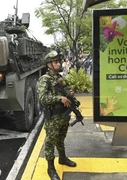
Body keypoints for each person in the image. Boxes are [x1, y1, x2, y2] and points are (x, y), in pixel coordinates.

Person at [37, 50, 77, 180]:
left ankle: (63, 158)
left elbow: (67, 91)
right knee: (50, 142)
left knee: (61, 138)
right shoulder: (45, 79)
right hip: (53, 117)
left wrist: (70, 93)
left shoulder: (60, 78)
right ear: (49, 64)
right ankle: (51, 168)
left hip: (64, 115)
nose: (59, 63)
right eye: (56, 62)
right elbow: (42, 98)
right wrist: (59, 98)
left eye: (59, 61)